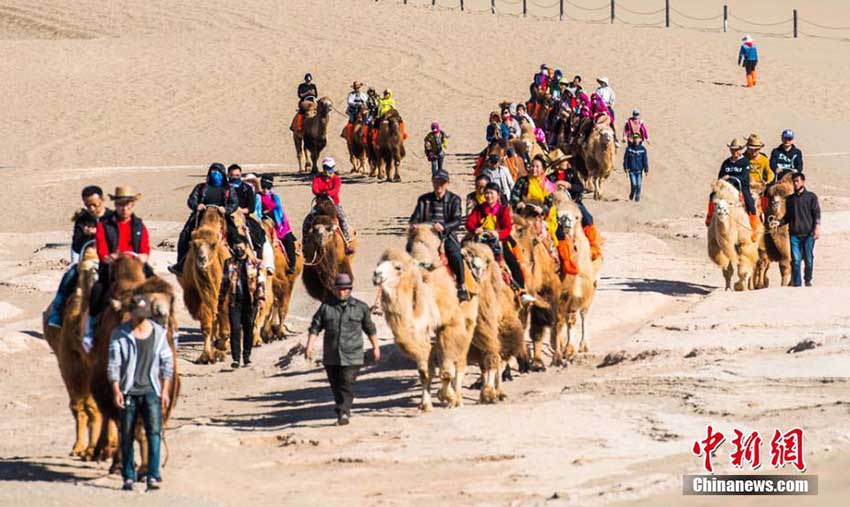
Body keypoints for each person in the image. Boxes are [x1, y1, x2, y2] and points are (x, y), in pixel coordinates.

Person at [108, 294, 173, 492]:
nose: (142, 318)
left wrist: (166, 390)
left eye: (144, 314)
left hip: (151, 391)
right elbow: (114, 364)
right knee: (126, 434)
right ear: (132, 314)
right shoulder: (120, 334)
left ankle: (152, 474)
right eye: (138, 314)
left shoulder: (159, 333)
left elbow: (167, 362)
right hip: (128, 391)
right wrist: (116, 389)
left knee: (154, 433)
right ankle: (128, 475)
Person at [305, 273, 379, 426]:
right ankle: (342, 409)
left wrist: (376, 348)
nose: (342, 292)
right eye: (339, 289)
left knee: (346, 382)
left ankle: (343, 411)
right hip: (332, 355)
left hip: (353, 355)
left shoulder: (360, 308)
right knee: (336, 384)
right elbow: (315, 327)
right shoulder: (326, 307)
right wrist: (309, 346)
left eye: (345, 289)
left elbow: (370, 329)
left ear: (350, 289)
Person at [47, 186, 113, 329]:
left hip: (109, 259)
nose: (91, 208)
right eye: (88, 205)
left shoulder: (112, 217)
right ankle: (56, 313)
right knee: (69, 278)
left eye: (95, 204)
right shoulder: (83, 219)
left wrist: (99, 232)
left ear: (102, 200)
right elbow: (76, 245)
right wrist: (84, 235)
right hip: (88, 258)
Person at [90, 187, 153, 335]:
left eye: (128, 204)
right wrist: (109, 257)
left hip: (136, 267)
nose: (124, 208)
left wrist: (143, 256)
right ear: (115, 205)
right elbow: (102, 251)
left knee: (157, 286)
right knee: (97, 291)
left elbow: (145, 248)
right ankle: (90, 327)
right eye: (121, 204)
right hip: (113, 268)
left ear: (133, 205)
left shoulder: (139, 225)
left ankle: (163, 326)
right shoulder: (104, 225)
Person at [466, 183, 535, 303]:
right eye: (487, 193)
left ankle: (521, 291)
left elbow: (507, 228)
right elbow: (469, 223)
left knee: (513, 263)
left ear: (497, 195)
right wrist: (475, 229)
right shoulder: (479, 209)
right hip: (480, 242)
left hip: (499, 241)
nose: (488, 196)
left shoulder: (503, 210)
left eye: (491, 193)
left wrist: (498, 234)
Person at [409, 170, 469, 301]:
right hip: (426, 236)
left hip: (446, 235)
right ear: (432, 182)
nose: (439, 185)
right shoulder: (424, 200)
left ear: (447, 184)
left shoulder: (454, 200)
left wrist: (444, 227)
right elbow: (415, 217)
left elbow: (457, 220)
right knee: (409, 253)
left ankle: (461, 285)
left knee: (455, 253)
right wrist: (414, 225)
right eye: (436, 182)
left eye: (442, 182)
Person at [170, 163, 238, 275]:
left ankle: (238, 262)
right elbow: (191, 200)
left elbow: (234, 203)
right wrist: (197, 206)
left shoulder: (228, 189)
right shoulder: (201, 188)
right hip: (201, 216)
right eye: (213, 171)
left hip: (221, 217)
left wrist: (226, 209)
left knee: (235, 236)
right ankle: (180, 264)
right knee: (184, 235)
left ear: (223, 174)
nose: (215, 173)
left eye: (218, 171)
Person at [547, 154, 604, 261]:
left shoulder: (571, 173)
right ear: (557, 165)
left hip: (574, 202)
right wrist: (555, 186)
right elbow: (546, 191)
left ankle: (593, 245)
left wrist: (569, 185)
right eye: (563, 161)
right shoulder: (550, 178)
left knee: (587, 217)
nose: (566, 162)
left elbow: (580, 188)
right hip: (557, 204)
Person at [220, 236, 265, 368]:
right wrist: (220, 300)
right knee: (235, 329)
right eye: (236, 247)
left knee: (248, 329)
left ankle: (246, 356)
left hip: (250, 301)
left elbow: (261, 282)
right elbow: (224, 283)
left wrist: (261, 299)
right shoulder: (228, 263)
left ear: (246, 247)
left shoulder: (255, 263)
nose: (238, 249)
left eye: (241, 246)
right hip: (235, 301)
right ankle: (235, 359)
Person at [706, 138, 759, 242]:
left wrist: (731, 178)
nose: (735, 152)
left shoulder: (745, 162)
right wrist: (723, 179)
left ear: (740, 150)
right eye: (733, 149)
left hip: (741, 187)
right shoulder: (726, 162)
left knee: (750, 204)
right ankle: (710, 217)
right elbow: (720, 175)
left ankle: (753, 230)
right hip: (726, 188)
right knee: (712, 195)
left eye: (737, 149)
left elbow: (745, 177)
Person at [780, 173, 820, 287]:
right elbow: (787, 217)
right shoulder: (790, 199)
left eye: (797, 181)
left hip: (808, 234)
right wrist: (778, 222)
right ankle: (797, 283)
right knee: (796, 260)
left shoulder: (811, 197)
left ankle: (808, 280)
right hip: (794, 235)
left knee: (808, 259)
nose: (795, 183)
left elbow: (816, 213)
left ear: (803, 181)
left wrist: (817, 228)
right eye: (794, 181)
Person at [310, 157, 354, 254]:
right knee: (308, 220)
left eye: (329, 168)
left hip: (333, 204)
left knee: (342, 219)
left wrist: (328, 193)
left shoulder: (336, 179)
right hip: (320, 204)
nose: (327, 170)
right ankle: (306, 241)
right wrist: (319, 193)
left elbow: (336, 190)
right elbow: (314, 188)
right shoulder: (317, 178)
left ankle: (346, 242)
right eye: (325, 167)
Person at [257, 174, 298, 274]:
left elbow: (279, 211)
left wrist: (279, 222)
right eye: (263, 187)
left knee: (289, 240)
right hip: (264, 221)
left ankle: (292, 264)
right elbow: (257, 210)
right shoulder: (258, 197)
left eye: (268, 187)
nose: (265, 189)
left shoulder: (275, 197)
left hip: (279, 222)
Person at [623, 134, 649, 202]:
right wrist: (625, 168)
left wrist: (646, 169)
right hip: (632, 171)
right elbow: (625, 159)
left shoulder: (643, 149)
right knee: (634, 184)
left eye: (637, 138)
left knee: (639, 184)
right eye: (634, 138)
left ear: (640, 139)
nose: (636, 140)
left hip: (639, 171)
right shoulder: (629, 149)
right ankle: (632, 193)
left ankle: (637, 196)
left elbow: (645, 160)